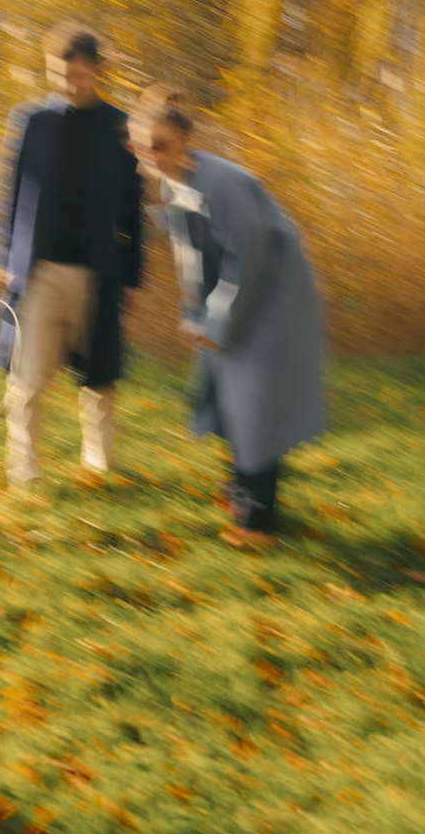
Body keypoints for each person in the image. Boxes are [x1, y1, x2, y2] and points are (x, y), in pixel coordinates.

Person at [129, 84, 327, 546]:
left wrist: (215, 321)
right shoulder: (172, 180)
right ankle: (239, 491)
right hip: (233, 299)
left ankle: (256, 525)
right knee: (222, 398)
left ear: (184, 142)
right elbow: (194, 258)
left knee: (254, 409)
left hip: (273, 300)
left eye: (162, 146)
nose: (151, 154)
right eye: (143, 146)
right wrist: (192, 314)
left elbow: (247, 256)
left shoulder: (221, 183)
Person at [0, 23, 146, 489]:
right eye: (59, 73)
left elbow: (133, 210)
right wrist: (5, 258)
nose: (68, 83)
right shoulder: (30, 120)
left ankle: (98, 470)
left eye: (77, 73)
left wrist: (133, 277)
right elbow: (9, 194)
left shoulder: (120, 127)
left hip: (99, 272)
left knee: (99, 382)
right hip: (37, 271)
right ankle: (25, 474)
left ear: (96, 71)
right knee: (27, 380)